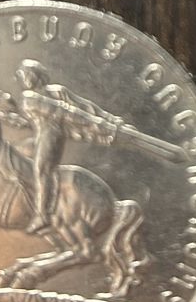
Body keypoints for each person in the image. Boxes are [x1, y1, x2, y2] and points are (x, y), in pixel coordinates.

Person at [16, 59, 119, 234]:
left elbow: (66, 111)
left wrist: (104, 121)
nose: (23, 79)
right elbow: (80, 107)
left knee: (41, 171)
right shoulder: (50, 93)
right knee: (20, 153)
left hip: (48, 136)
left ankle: (42, 214)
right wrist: (102, 121)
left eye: (25, 74)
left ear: (34, 76)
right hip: (47, 136)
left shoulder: (32, 97)